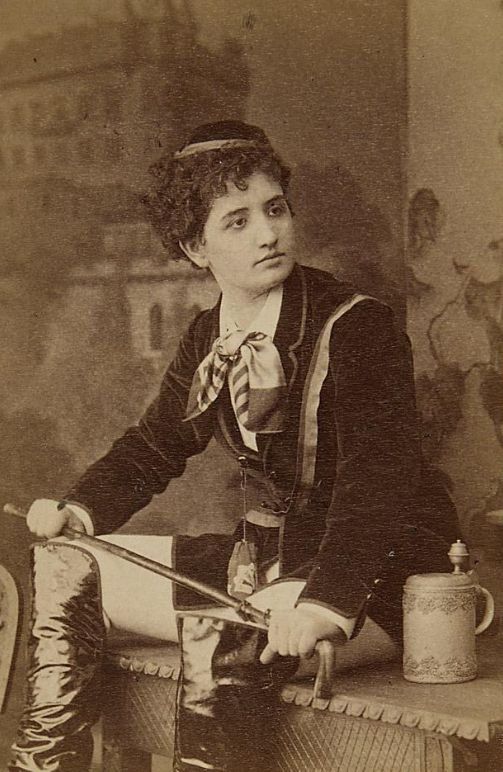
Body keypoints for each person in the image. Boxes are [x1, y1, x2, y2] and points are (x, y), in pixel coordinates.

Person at [9, 120, 460, 772]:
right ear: (196, 248)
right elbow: (155, 445)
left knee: (222, 638)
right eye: (238, 222)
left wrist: (324, 603)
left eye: (275, 210)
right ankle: (47, 764)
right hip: (267, 565)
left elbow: (379, 482)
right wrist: (78, 510)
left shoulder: (358, 325)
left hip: (379, 575)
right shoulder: (207, 336)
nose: (268, 233)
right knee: (67, 563)